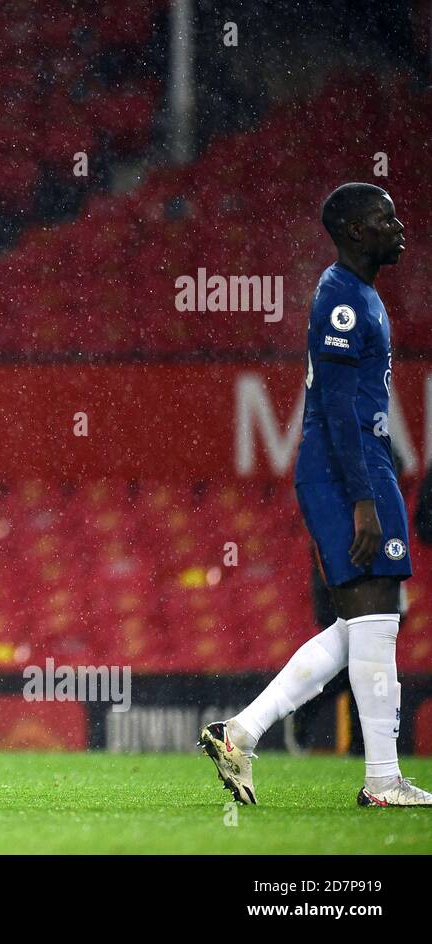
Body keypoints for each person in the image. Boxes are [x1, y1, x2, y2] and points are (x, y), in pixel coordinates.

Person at [200, 182, 430, 806]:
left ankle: (240, 732)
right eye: (385, 218)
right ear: (356, 231)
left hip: (354, 466)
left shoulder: (359, 295)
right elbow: (332, 405)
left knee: (366, 624)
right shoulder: (342, 300)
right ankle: (382, 780)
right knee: (376, 621)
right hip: (343, 470)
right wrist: (362, 497)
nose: (399, 225)